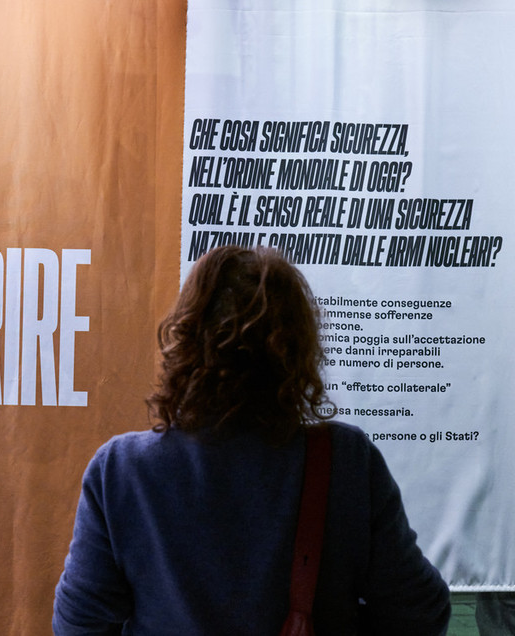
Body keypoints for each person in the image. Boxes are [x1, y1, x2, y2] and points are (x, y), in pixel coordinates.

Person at [52, 245, 451, 635]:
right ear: (297, 347)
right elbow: (420, 612)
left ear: (185, 337)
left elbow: (78, 625)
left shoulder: (121, 470)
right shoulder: (346, 461)